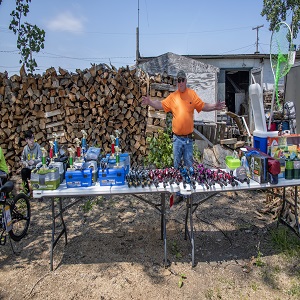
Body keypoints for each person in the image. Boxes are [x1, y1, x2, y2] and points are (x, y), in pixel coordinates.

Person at [142, 70, 226, 169]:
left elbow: (203, 106)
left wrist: (215, 106)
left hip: (188, 139)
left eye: (182, 80)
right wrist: (150, 102)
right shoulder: (173, 97)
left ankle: (189, 181)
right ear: (177, 82)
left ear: (186, 81)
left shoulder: (192, 94)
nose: (180, 83)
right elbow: (161, 104)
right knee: (176, 166)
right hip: (177, 139)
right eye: (178, 80)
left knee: (189, 166)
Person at [20, 130, 42, 195]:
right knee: (23, 171)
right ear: (26, 140)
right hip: (29, 169)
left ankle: (39, 192)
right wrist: (26, 163)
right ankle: (27, 192)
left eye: (32, 138)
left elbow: (41, 159)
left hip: (37, 169)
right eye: (29, 139)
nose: (32, 140)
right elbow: (22, 160)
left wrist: (34, 161)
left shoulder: (38, 146)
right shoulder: (25, 148)